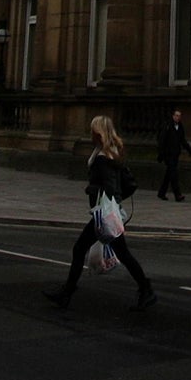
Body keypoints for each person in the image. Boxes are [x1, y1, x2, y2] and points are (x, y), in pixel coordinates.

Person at [45, 115, 155, 313]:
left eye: (92, 129)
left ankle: (67, 293)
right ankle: (145, 289)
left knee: (80, 249)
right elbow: (128, 185)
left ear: (98, 132)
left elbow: (110, 187)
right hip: (110, 212)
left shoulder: (103, 157)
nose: (90, 133)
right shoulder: (112, 153)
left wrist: (93, 192)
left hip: (104, 214)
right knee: (122, 253)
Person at [157, 109, 191, 202]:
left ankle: (161, 193)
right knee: (173, 174)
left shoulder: (180, 127)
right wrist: (161, 154)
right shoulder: (167, 126)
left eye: (179, 116)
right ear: (173, 116)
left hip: (175, 154)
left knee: (169, 174)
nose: (177, 117)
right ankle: (177, 194)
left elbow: (182, 139)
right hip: (168, 154)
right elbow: (162, 140)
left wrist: (188, 148)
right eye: (176, 115)